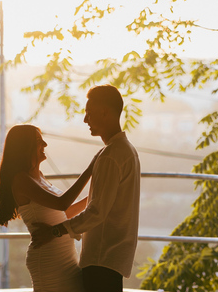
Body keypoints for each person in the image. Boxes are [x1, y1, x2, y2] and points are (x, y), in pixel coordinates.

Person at [32, 84, 141, 292]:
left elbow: (97, 211)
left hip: (102, 256)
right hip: (112, 257)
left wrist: (55, 231)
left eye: (88, 113)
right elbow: (100, 200)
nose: (85, 120)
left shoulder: (110, 155)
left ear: (104, 112)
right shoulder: (126, 150)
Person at [0, 124, 99, 292]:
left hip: (66, 259)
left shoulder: (39, 177)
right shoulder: (21, 180)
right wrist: (90, 170)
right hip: (48, 260)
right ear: (24, 146)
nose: (45, 144)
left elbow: (64, 213)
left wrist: (96, 196)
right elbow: (62, 203)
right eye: (38, 140)